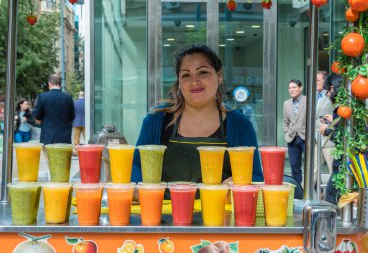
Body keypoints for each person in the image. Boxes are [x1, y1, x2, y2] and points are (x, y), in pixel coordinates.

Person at [131, 44, 263, 186]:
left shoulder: (240, 126)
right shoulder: (156, 121)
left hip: (219, 208)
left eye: (203, 72)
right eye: (186, 75)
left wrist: (240, 181)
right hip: (165, 208)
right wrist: (137, 185)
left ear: (219, 75)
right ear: (179, 82)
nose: (194, 81)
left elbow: (255, 176)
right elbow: (135, 167)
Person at [319, 74, 343, 205]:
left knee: (331, 193)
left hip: (344, 160)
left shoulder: (342, 108)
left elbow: (344, 135)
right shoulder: (344, 106)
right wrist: (332, 121)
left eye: (327, 91)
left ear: (333, 88)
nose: (327, 95)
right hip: (343, 159)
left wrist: (327, 131)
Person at [34, 74, 75, 146]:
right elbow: (72, 117)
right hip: (64, 136)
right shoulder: (68, 97)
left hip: (48, 135)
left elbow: (37, 116)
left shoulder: (43, 97)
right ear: (60, 84)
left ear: (49, 84)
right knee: (62, 157)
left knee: (49, 156)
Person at [283, 79, 306, 185]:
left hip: (306, 138)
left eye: (294, 87)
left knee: (310, 166)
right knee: (294, 167)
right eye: (290, 88)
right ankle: (297, 190)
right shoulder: (286, 104)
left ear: (300, 88)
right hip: (292, 139)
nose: (291, 90)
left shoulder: (308, 100)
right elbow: (285, 122)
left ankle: (311, 188)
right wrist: (286, 133)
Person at [314, 71, 334, 188]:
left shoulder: (330, 96)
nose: (315, 82)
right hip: (317, 138)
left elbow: (336, 116)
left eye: (318, 80)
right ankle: (306, 196)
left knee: (332, 169)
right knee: (314, 169)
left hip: (329, 139)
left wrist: (329, 125)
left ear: (324, 81)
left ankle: (331, 198)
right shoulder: (315, 96)